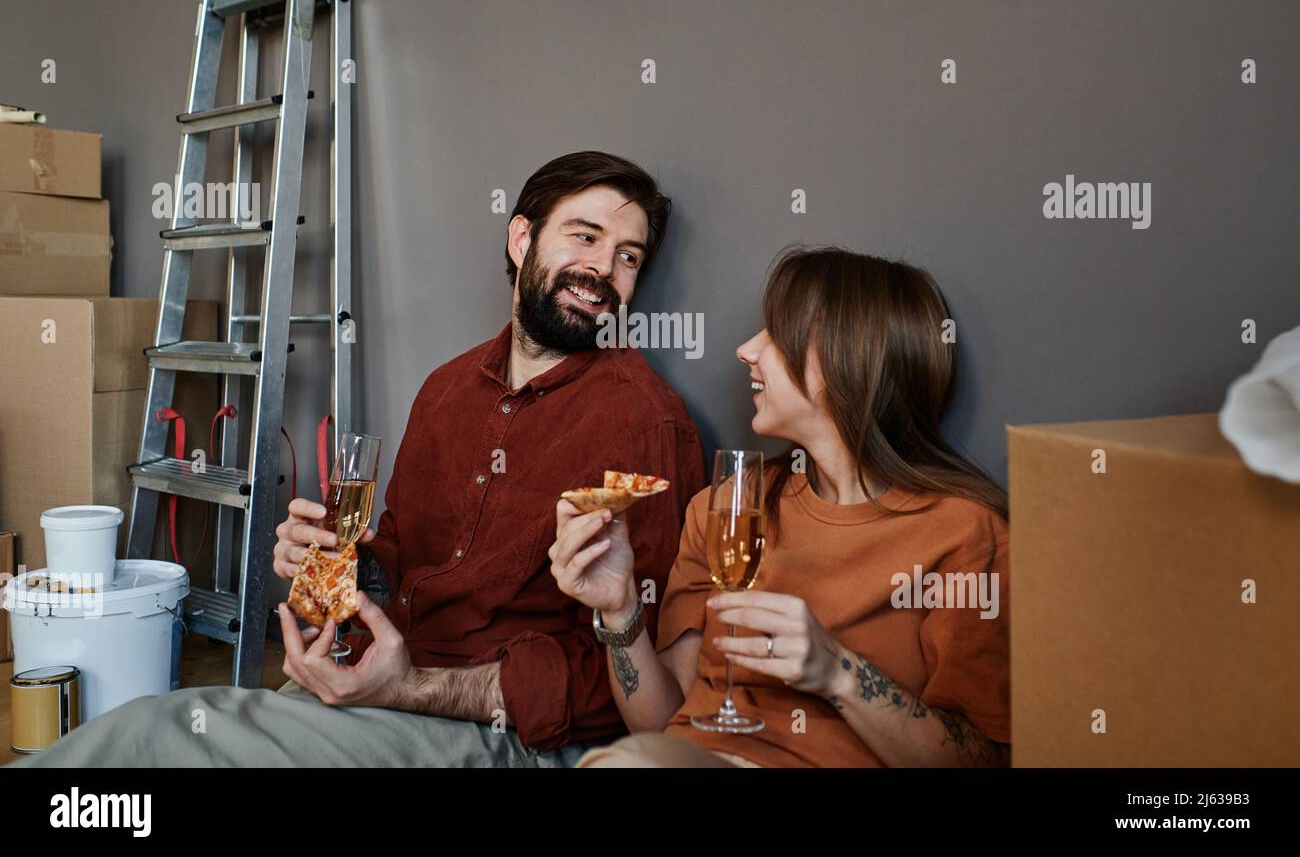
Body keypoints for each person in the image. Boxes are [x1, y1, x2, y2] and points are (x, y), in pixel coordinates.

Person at [9, 150, 706, 768]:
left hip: (506, 734)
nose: (603, 269)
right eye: (585, 237)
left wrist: (409, 689)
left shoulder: (645, 427)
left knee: (159, 736)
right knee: (154, 740)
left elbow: (621, 684)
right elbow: (401, 559)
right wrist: (334, 566)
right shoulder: (447, 389)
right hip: (382, 684)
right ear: (522, 239)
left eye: (629, 256)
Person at [551, 245, 1011, 767]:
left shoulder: (964, 534)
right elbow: (662, 724)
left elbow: (980, 759)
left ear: (848, 360)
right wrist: (619, 607)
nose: (747, 350)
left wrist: (836, 670)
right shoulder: (727, 508)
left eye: (777, 334)